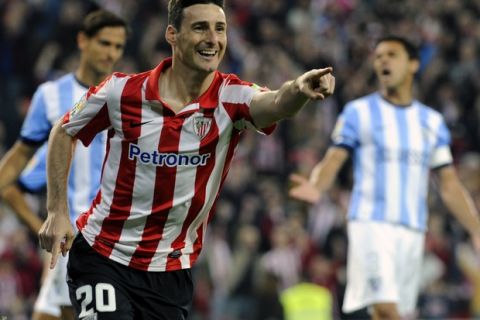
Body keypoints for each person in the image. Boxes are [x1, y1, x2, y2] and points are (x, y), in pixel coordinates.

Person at [37, 0, 335, 319]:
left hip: (170, 272)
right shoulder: (121, 92)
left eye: (220, 28)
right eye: (199, 27)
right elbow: (64, 130)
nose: (212, 38)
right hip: (102, 255)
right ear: (172, 35)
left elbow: (276, 102)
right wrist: (56, 211)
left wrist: (299, 90)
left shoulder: (231, 98)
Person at [289, 35, 480, 320]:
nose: (383, 61)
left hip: (412, 230)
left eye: (392, 54)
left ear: (413, 64)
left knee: (390, 313)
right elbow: (334, 159)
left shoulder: (431, 122)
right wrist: (315, 186)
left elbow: (449, 184)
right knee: (387, 310)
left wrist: (476, 228)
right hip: (370, 225)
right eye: (378, 56)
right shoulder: (358, 112)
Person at [0, 9, 128, 320]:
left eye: (118, 46)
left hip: (111, 243)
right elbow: (12, 171)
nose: (111, 53)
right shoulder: (51, 95)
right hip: (74, 242)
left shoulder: (128, 98)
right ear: (82, 40)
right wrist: (44, 229)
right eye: (104, 43)